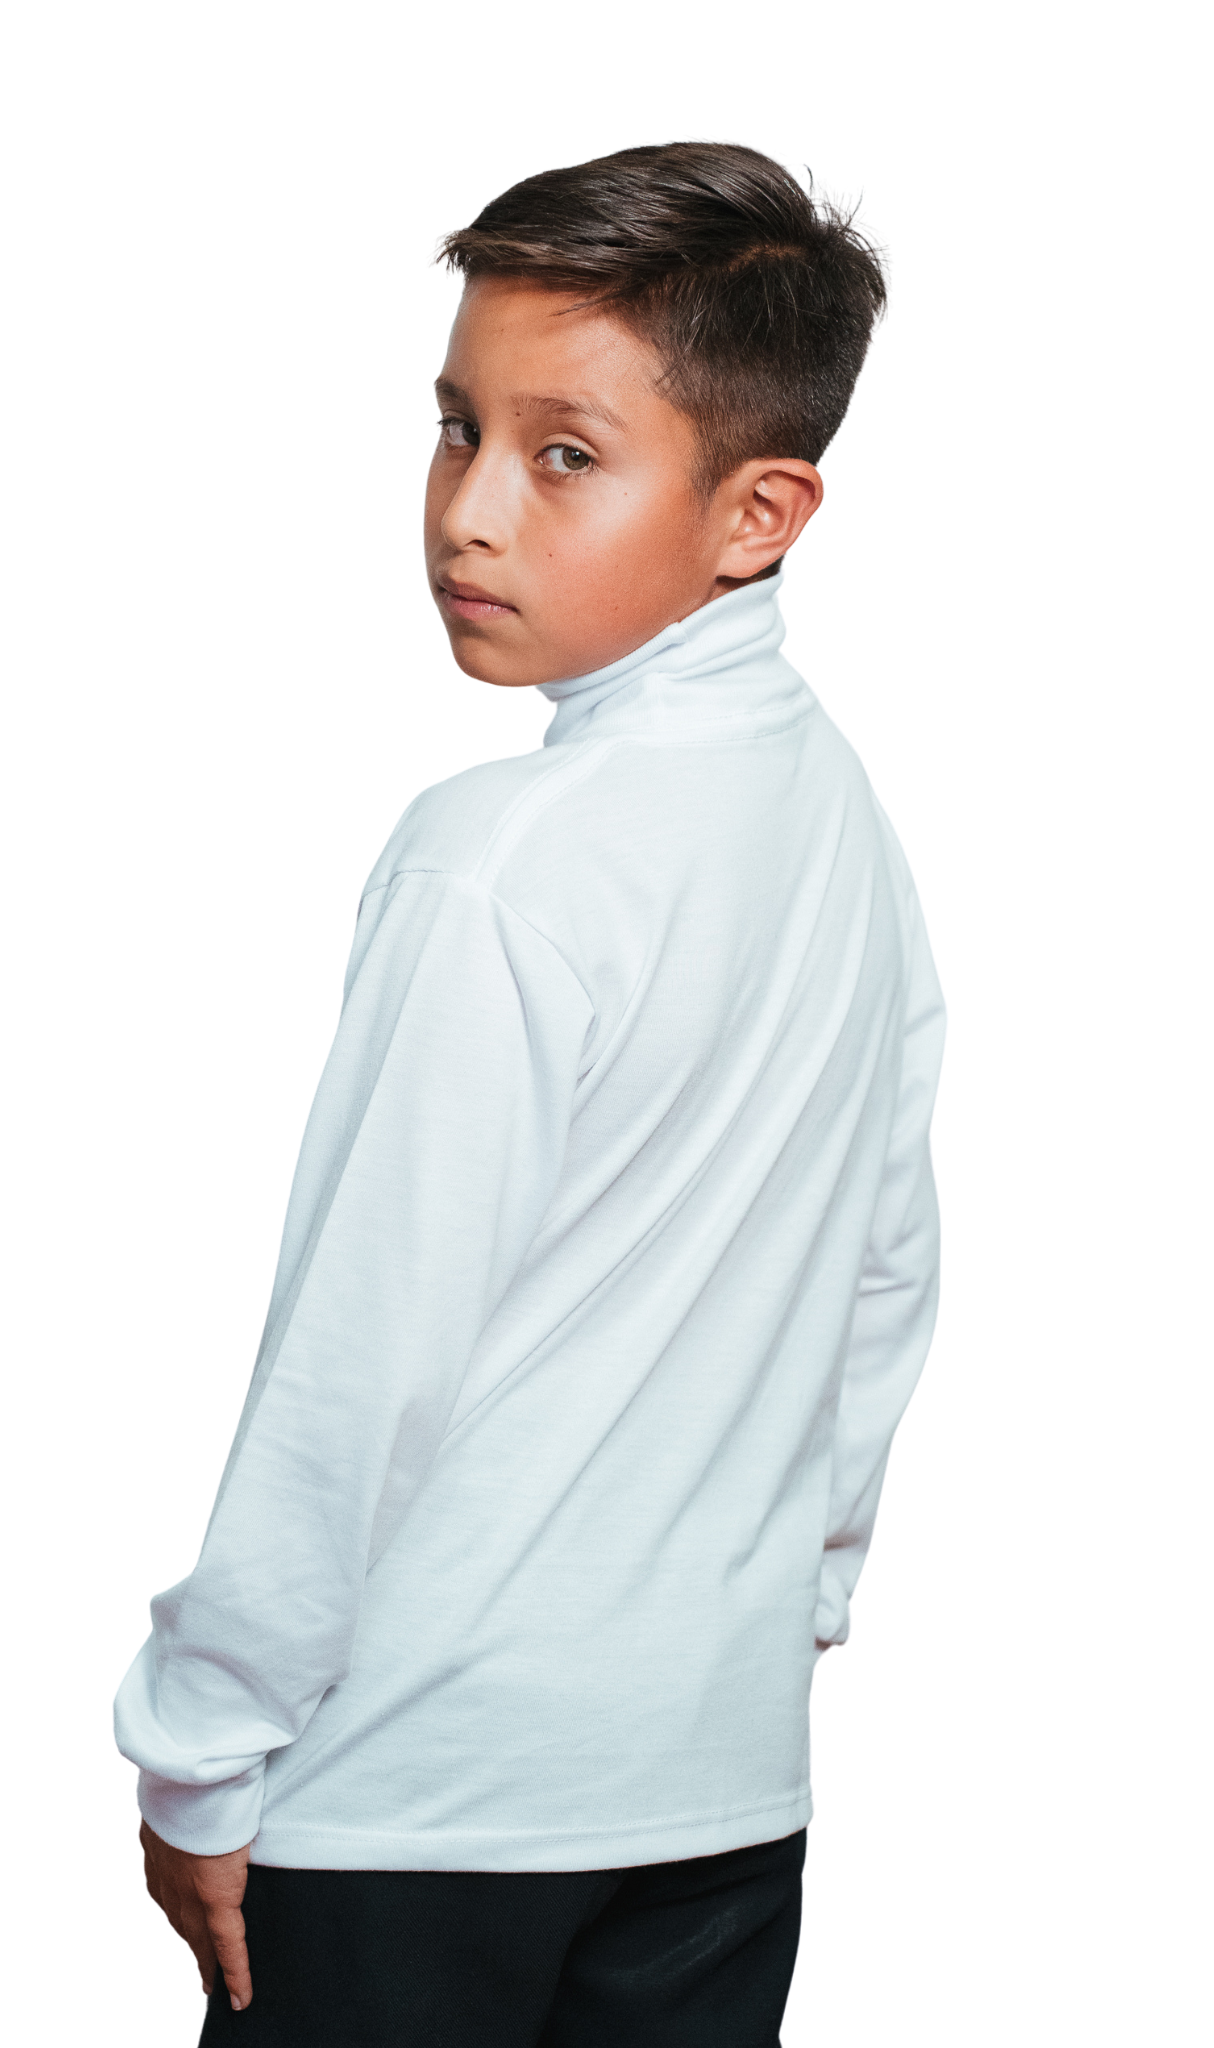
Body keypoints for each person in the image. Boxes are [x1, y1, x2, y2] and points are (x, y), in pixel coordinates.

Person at [115, 141, 946, 2046]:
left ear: (758, 512)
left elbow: (363, 1351)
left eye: (565, 455)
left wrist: (201, 1741)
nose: (470, 513)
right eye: (456, 429)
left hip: (421, 1803)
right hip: (715, 1789)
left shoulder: (500, 860)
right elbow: (886, 1265)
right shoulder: (836, 814)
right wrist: (788, 1601)